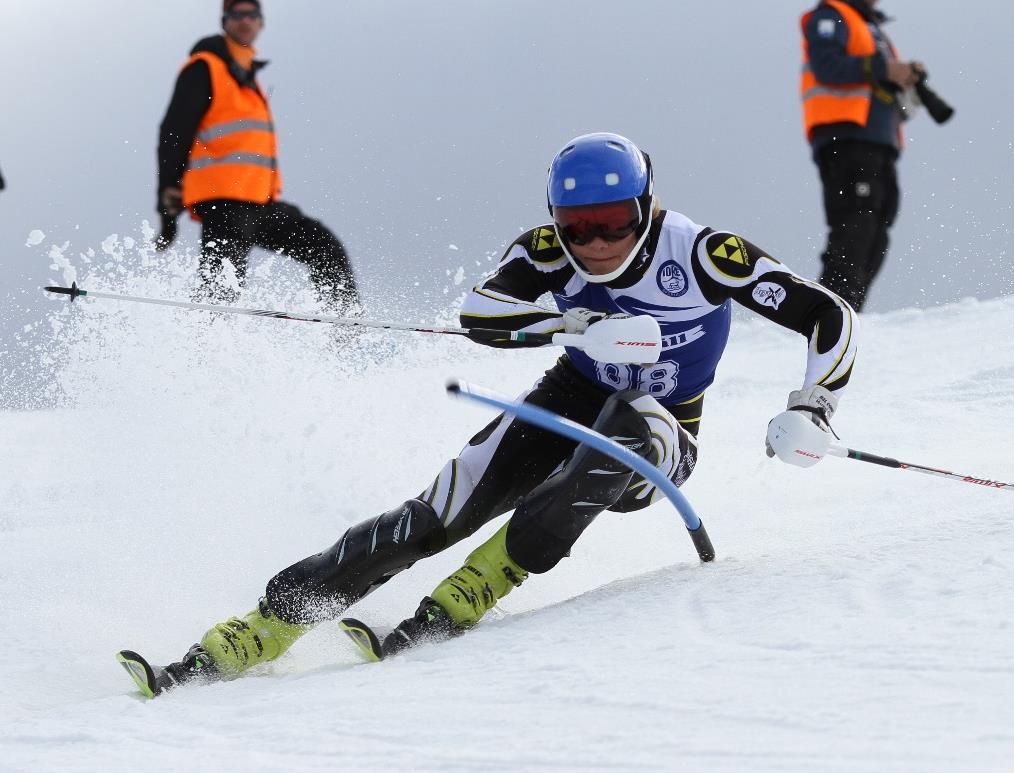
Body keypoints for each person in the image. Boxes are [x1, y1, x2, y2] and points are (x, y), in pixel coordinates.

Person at [123, 133, 859, 695]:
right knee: (430, 518)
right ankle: (258, 628)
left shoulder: (703, 254)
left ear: (647, 207)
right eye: (578, 226)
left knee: (625, 433)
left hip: (664, 423)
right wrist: (566, 327)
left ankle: (481, 583)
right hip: (567, 394)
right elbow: (481, 308)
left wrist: (813, 403)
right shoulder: (548, 252)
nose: (596, 243)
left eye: (613, 222)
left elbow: (826, 313)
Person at [156, 0, 359, 310]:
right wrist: (167, 199)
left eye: (252, 14)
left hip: (260, 203)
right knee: (221, 290)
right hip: (224, 205)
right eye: (237, 14)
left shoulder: (247, 79)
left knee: (325, 248)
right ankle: (202, 350)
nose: (245, 20)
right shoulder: (205, 68)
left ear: (261, 23)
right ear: (225, 21)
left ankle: (347, 328)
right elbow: (174, 131)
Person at [800, 0, 921, 311]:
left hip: (880, 141)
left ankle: (849, 312)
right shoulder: (830, 15)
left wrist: (904, 80)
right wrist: (885, 68)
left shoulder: (870, 27)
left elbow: (888, 97)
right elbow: (827, 65)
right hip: (845, 137)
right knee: (856, 220)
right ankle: (830, 310)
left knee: (877, 227)